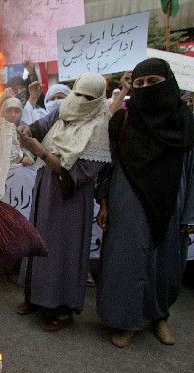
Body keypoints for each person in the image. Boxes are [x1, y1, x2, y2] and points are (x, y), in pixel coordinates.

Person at [96, 58, 194, 348]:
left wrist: (189, 214)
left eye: (153, 82)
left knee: (166, 262)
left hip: (170, 199)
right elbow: (108, 163)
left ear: (170, 84)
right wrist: (104, 202)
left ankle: (159, 316)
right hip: (129, 196)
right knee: (127, 259)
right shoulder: (123, 121)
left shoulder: (185, 123)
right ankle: (126, 321)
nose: (146, 88)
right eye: (139, 84)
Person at [17, 72, 112, 332]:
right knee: (37, 241)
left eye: (88, 97)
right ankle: (34, 298)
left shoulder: (99, 128)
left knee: (62, 250)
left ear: (98, 100)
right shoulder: (63, 111)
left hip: (69, 198)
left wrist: (40, 150)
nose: (80, 100)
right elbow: (41, 126)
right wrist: (28, 129)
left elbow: (76, 172)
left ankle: (61, 309)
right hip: (45, 188)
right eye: (78, 93)